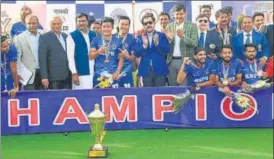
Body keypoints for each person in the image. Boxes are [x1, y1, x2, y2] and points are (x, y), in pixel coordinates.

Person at [166, 4, 198, 86]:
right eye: (177, 14)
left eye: (181, 14)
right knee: (173, 87)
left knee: (184, 87)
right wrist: (168, 41)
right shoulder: (169, 26)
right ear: (173, 14)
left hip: (185, 61)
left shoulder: (192, 26)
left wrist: (183, 36)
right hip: (171, 61)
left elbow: (194, 43)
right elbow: (166, 46)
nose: (179, 16)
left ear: (185, 14)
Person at [135, 13, 170, 87]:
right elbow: (137, 53)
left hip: (160, 70)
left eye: (150, 22)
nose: (148, 25)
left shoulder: (161, 35)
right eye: (145, 23)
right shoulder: (140, 37)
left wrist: (157, 44)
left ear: (154, 23)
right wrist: (144, 46)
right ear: (143, 25)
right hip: (146, 71)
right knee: (147, 94)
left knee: (160, 94)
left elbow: (167, 50)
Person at [90, 17, 125, 88]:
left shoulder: (118, 40)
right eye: (104, 27)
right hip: (99, 75)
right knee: (98, 97)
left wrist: (117, 72)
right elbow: (91, 56)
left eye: (108, 27)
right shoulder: (95, 40)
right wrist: (99, 51)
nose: (106, 29)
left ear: (112, 27)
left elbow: (121, 58)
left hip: (113, 75)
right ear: (101, 28)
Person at [38, 16, 71, 90]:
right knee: (55, 100)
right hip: (53, 78)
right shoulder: (44, 37)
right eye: (54, 24)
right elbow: (42, 59)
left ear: (62, 24)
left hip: (67, 75)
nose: (56, 26)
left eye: (58, 23)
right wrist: (44, 77)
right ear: (50, 24)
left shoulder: (66, 36)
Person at [66, 13, 96, 90]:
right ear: (76, 22)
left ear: (87, 22)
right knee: (82, 96)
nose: (82, 23)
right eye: (79, 21)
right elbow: (70, 57)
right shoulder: (72, 36)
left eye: (83, 21)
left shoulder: (93, 34)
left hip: (95, 71)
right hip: (81, 73)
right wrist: (74, 73)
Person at [14, 14, 44, 90]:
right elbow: (17, 58)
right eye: (29, 23)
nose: (31, 25)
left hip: (43, 73)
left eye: (34, 23)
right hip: (28, 75)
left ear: (38, 23)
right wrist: (18, 73)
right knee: (31, 98)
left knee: (44, 98)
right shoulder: (19, 38)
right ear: (25, 24)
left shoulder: (44, 34)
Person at [114, 16, 137, 88]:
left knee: (128, 93)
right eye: (122, 24)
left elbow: (133, 58)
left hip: (127, 71)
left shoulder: (132, 39)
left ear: (129, 26)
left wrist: (127, 56)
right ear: (118, 25)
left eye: (126, 25)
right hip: (113, 70)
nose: (124, 26)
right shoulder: (112, 37)